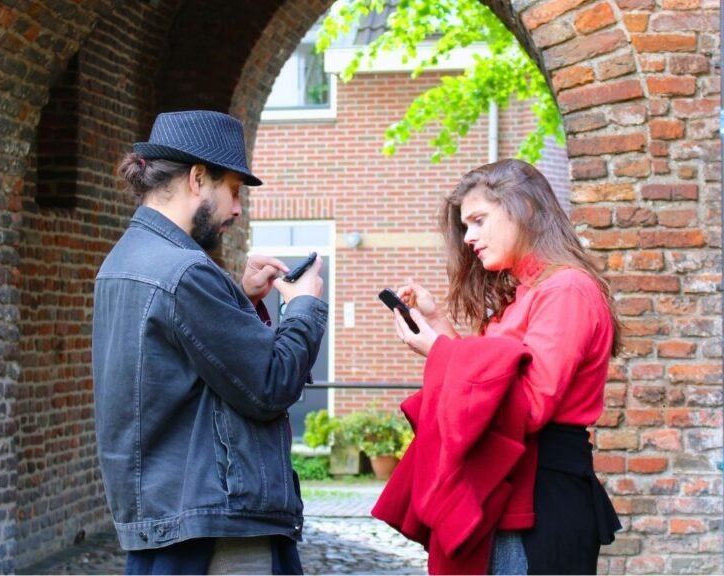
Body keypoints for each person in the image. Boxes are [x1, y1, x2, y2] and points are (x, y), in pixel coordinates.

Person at [91, 110, 327, 575]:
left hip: (172, 520)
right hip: (217, 530)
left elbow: (184, 368)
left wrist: (238, 299)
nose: (238, 209)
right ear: (198, 178)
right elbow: (270, 385)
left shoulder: (124, 261)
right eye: (234, 190)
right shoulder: (186, 272)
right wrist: (302, 305)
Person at [372, 158, 622, 574]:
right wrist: (441, 329)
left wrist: (439, 350)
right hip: (511, 490)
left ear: (522, 208)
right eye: (466, 225)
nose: (469, 236)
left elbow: (528, 404)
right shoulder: (530, 292)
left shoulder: (567, 289)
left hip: (538, 494)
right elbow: (490, 388)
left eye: (478, 220)